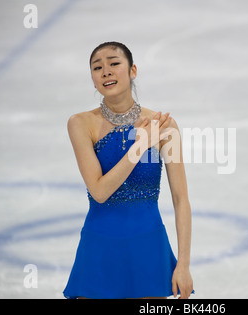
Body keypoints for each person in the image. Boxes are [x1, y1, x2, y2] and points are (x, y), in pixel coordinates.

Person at [63, 41, 193, 299]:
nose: (106, 71)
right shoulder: (81, 124)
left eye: (114, 63)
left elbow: (181, 199)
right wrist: (141, 145)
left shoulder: (165, 126)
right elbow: (99, 191)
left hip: (148, 249)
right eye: (97, 68)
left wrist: (184, 265)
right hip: (99, 249)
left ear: (133, 70)